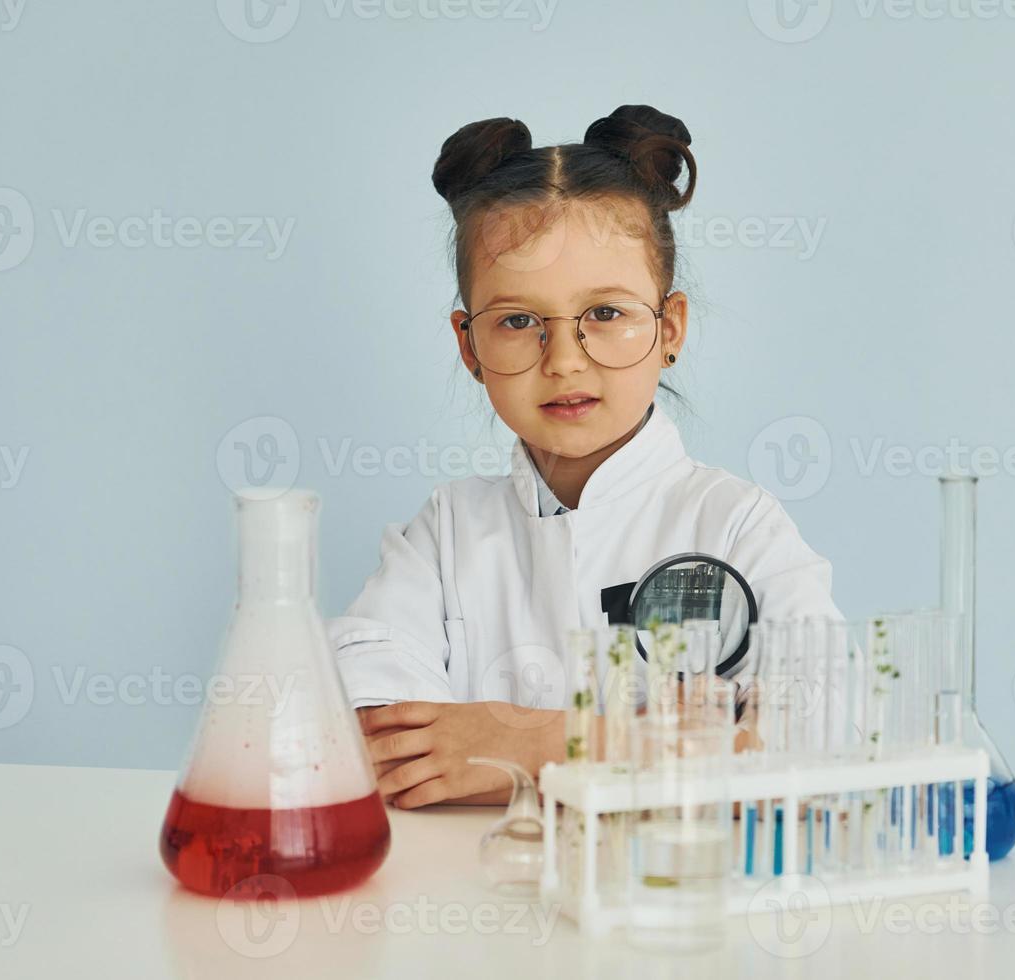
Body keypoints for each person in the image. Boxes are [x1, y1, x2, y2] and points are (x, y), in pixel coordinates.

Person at [329, 104, 840, 809]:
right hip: (471, 906)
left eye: (605, 313)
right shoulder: (445, 534)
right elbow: (367, 743)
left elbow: (814, 740)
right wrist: (676, 746)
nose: (565, 361)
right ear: (469, 346)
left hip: (684, 905)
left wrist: (539, 744)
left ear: (670, 329)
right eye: (517, 321)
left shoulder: (738, 526)